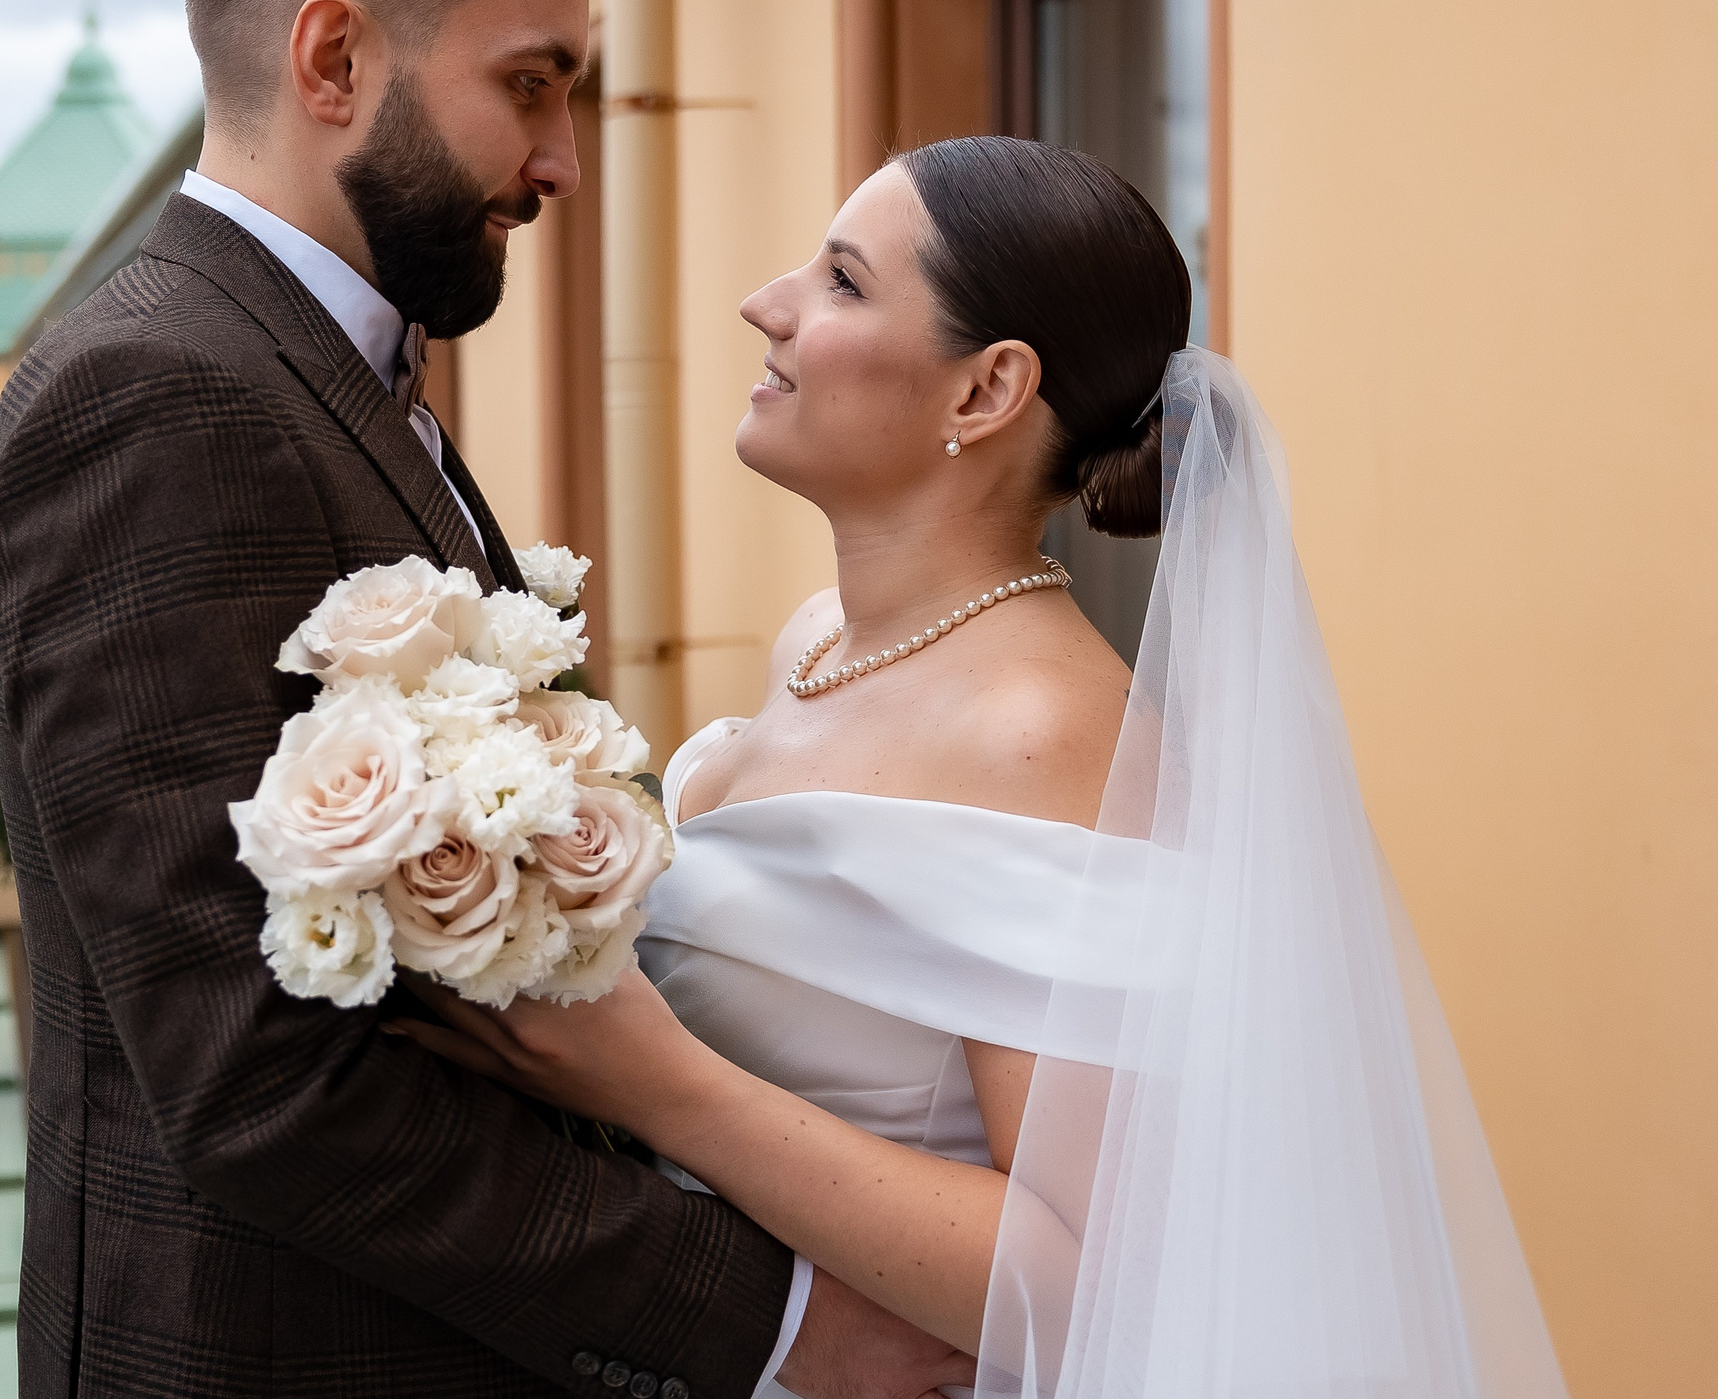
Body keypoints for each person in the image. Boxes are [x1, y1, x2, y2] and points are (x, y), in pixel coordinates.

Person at [0, 0, 970, 1399]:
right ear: (334, 60)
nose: (563, 159)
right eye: (530, 84)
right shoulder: (159, 398)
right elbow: (257, 1079)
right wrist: (782, 1320)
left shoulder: (343, 372)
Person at [395, 137, 1571, 1398]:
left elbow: (1095, 1285)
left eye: (842, 281)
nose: (768, 302)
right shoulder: (816, 641)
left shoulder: (1041, 733)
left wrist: (661, 1088)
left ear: (985, 391)